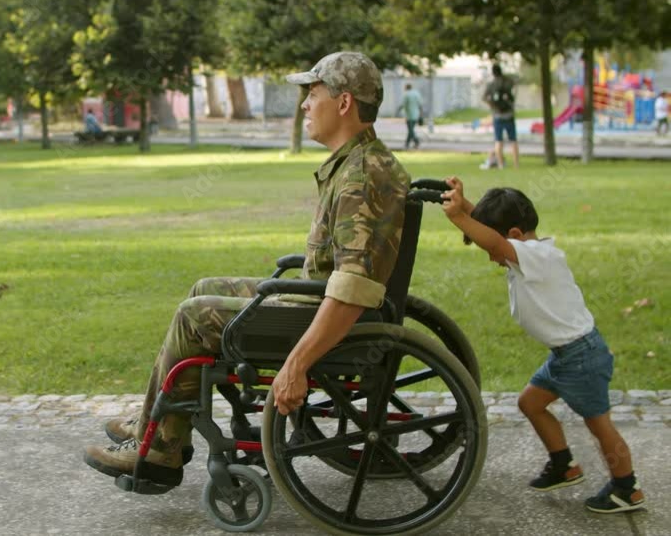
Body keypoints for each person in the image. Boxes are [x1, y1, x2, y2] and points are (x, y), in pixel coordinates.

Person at [82, 52, 411, 487]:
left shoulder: (361, 176)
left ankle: (162, 448)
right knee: (203, 287)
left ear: (344, 102)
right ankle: (156, 423)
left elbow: (353, 289)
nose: (305, 105)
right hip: (318, 301)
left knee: (194, 315)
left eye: (313, 94)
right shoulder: (359, 162)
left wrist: (296, 364)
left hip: (327, 316)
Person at [441, 179, 646, 514]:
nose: (491, 257)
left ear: (515, 235)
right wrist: (464, 205)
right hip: (566, 355)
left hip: (581, 356)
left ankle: (627, 488)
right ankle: (564, 466)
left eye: (491, 250)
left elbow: (495, 240)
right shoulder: (527, 252)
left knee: (599, 424)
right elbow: (493, 235)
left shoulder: (536, 255)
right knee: (530, 403)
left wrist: (458, 218)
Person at [482, 64, 519, 169]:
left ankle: (501, 164)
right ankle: (516, 164)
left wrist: (492, 105)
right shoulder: (508, 81)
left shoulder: (491, 84)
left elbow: (484, 98)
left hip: (497, 115)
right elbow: (514, 91)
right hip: (509, 115)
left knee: (498, 141)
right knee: (513, 140)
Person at [395, 83, 424, 149]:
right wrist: (421, 114)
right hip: (416, 115)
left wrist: (397, 111)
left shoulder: (406, 94)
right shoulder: (416, 94)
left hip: (409, 115)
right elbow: (420, 105)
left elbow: (403, 104)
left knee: (411, 130)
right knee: (411, 129)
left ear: (406, 88)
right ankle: (407, 144)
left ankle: (416, 141)